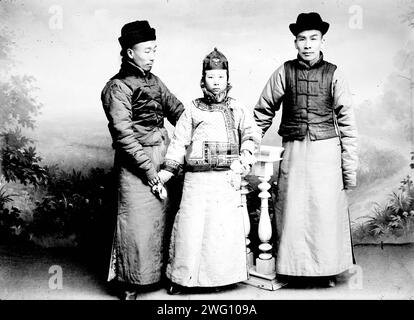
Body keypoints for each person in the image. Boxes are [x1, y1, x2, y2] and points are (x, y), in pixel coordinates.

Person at [253, 12, 358, 287]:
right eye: (302, 39)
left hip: (326, 153)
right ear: (295, 43)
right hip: (295, 151)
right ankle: (292, 269)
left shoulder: (334, 73)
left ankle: (326, 270)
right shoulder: (284, 71)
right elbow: (262, 112)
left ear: (323, 40)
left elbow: (347, 124)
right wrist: (249, 145)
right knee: (293, 210)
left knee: (323, 211)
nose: (308, 44)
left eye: (313, 38)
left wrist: (349, 169)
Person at [157, 48, 261, 294]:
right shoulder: (192, 110)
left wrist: (243, 161)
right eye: (211, 77)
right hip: (196, 180)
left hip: (225, 178)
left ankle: (220, 279)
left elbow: (251, 135)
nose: (216, 82)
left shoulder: (237, 108)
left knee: (220, 230)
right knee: (191, 228)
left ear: (228, 79)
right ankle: (183, 279)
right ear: (203, 80)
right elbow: (179, 142)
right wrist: (167, 171)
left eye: (221, 77)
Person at [101, 20, 185, 299]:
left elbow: (180, 114)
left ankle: (164, 274)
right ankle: (131, 282)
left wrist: (207, 120)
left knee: (165, 218)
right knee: (137, 224)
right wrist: (150, 172)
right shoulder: (117, 87)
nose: (152, 55)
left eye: (154, 50)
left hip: (163, 155)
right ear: (129, 53)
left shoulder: (155, 82)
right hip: (135, 162)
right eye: (147, 50)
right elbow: (124, 136)